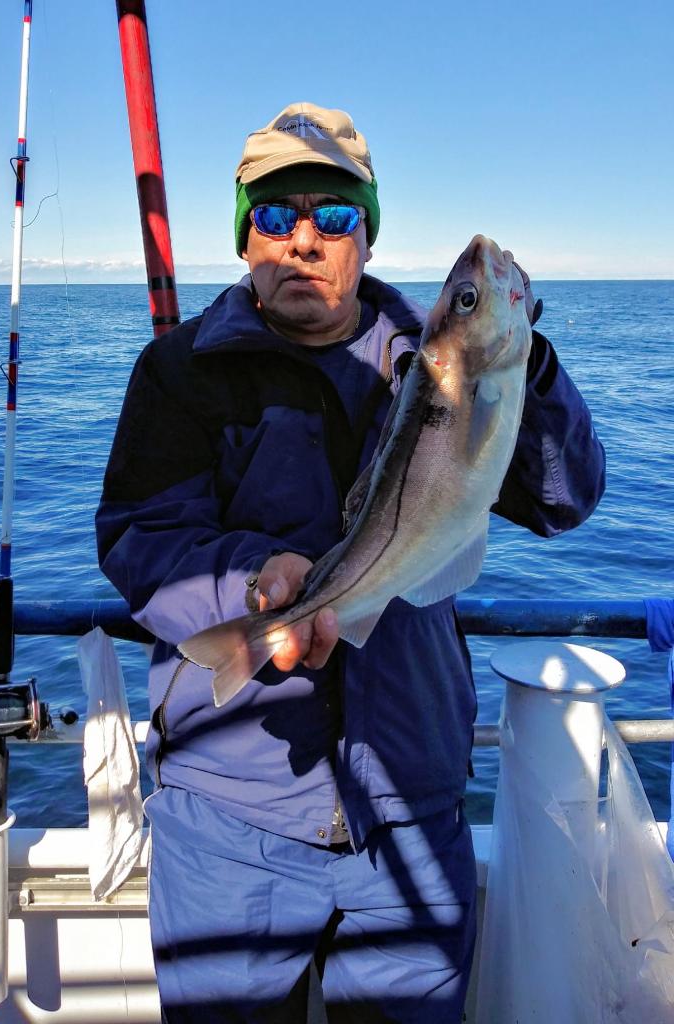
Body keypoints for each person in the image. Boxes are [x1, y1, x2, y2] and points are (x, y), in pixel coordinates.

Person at [96, 102, 606, 1023]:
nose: (303, 239)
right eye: (275, 214)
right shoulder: (178, 373)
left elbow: (565, 498)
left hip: (411, 804)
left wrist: (525, 368)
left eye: (332, 216)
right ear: (243, 235)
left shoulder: (432, 357)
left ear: (366, 236)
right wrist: (255, 583)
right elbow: (139, 536)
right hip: (228, 820)